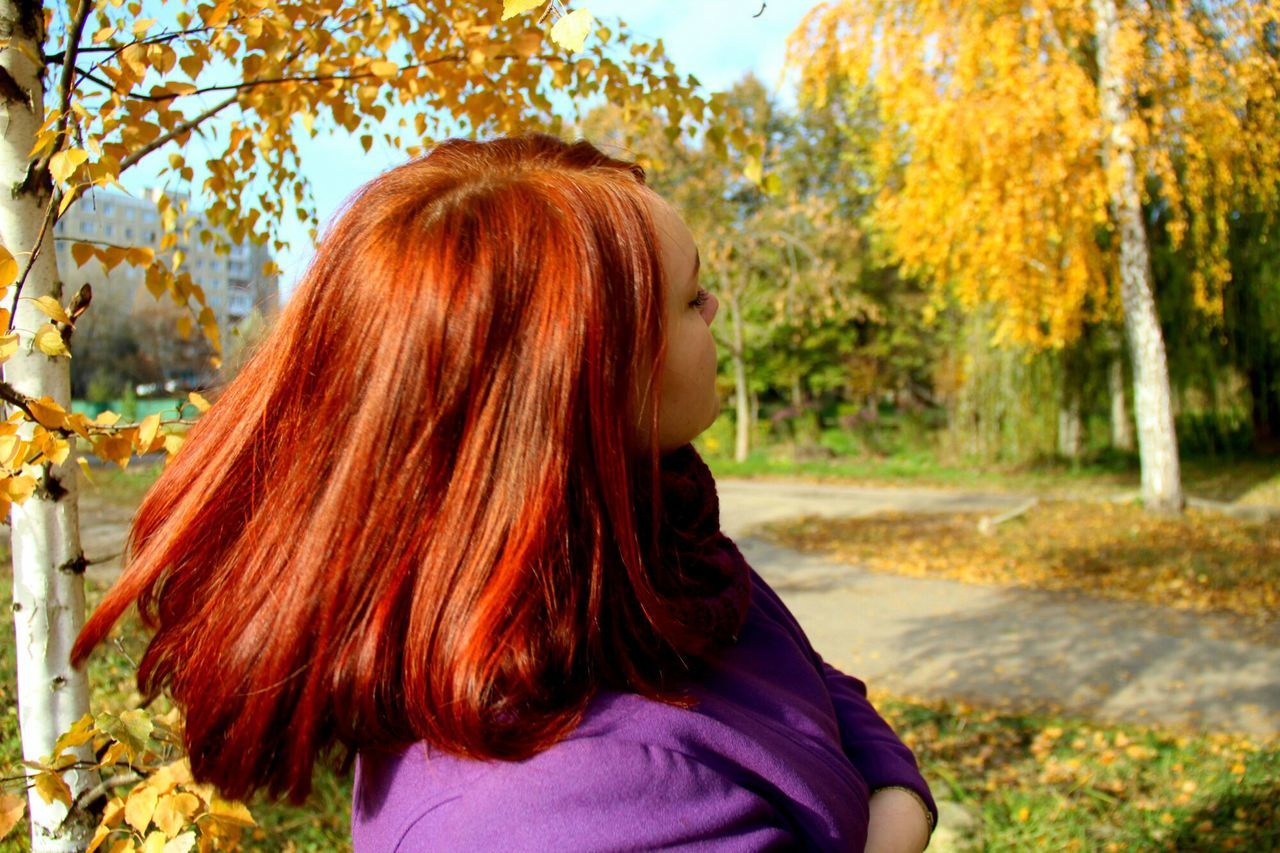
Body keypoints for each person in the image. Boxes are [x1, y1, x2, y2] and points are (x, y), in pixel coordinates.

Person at [72, 135, 936, 851]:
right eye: (689, 298)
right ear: (581, 380)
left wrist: (894, 793)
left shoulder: (648, 543)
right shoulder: (576, 813)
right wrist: (897, 816)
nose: (713, 311)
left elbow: (807, 684)